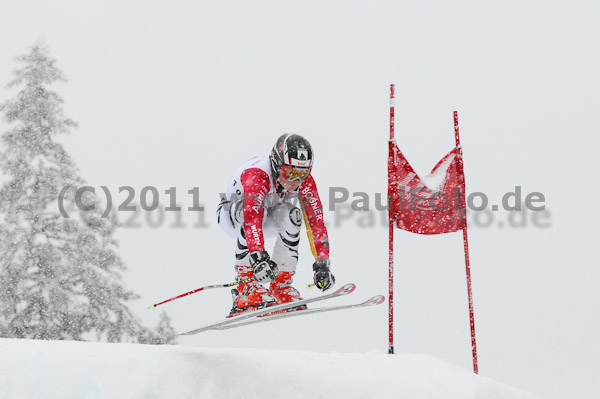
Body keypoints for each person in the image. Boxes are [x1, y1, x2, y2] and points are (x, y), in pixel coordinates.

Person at [217, 133, 335, 316]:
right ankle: (245, 286)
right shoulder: (257, 174)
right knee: (252, 209)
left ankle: (281, 284)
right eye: (290, 173)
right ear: (276, 163)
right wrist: (258, 257)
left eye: (302, 174)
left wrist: (322, 262)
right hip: (232, 216)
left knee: (292, 214)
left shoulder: (304, 183)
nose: (295, 182)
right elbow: (252, 216)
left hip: (263, 219)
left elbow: (316, 223)